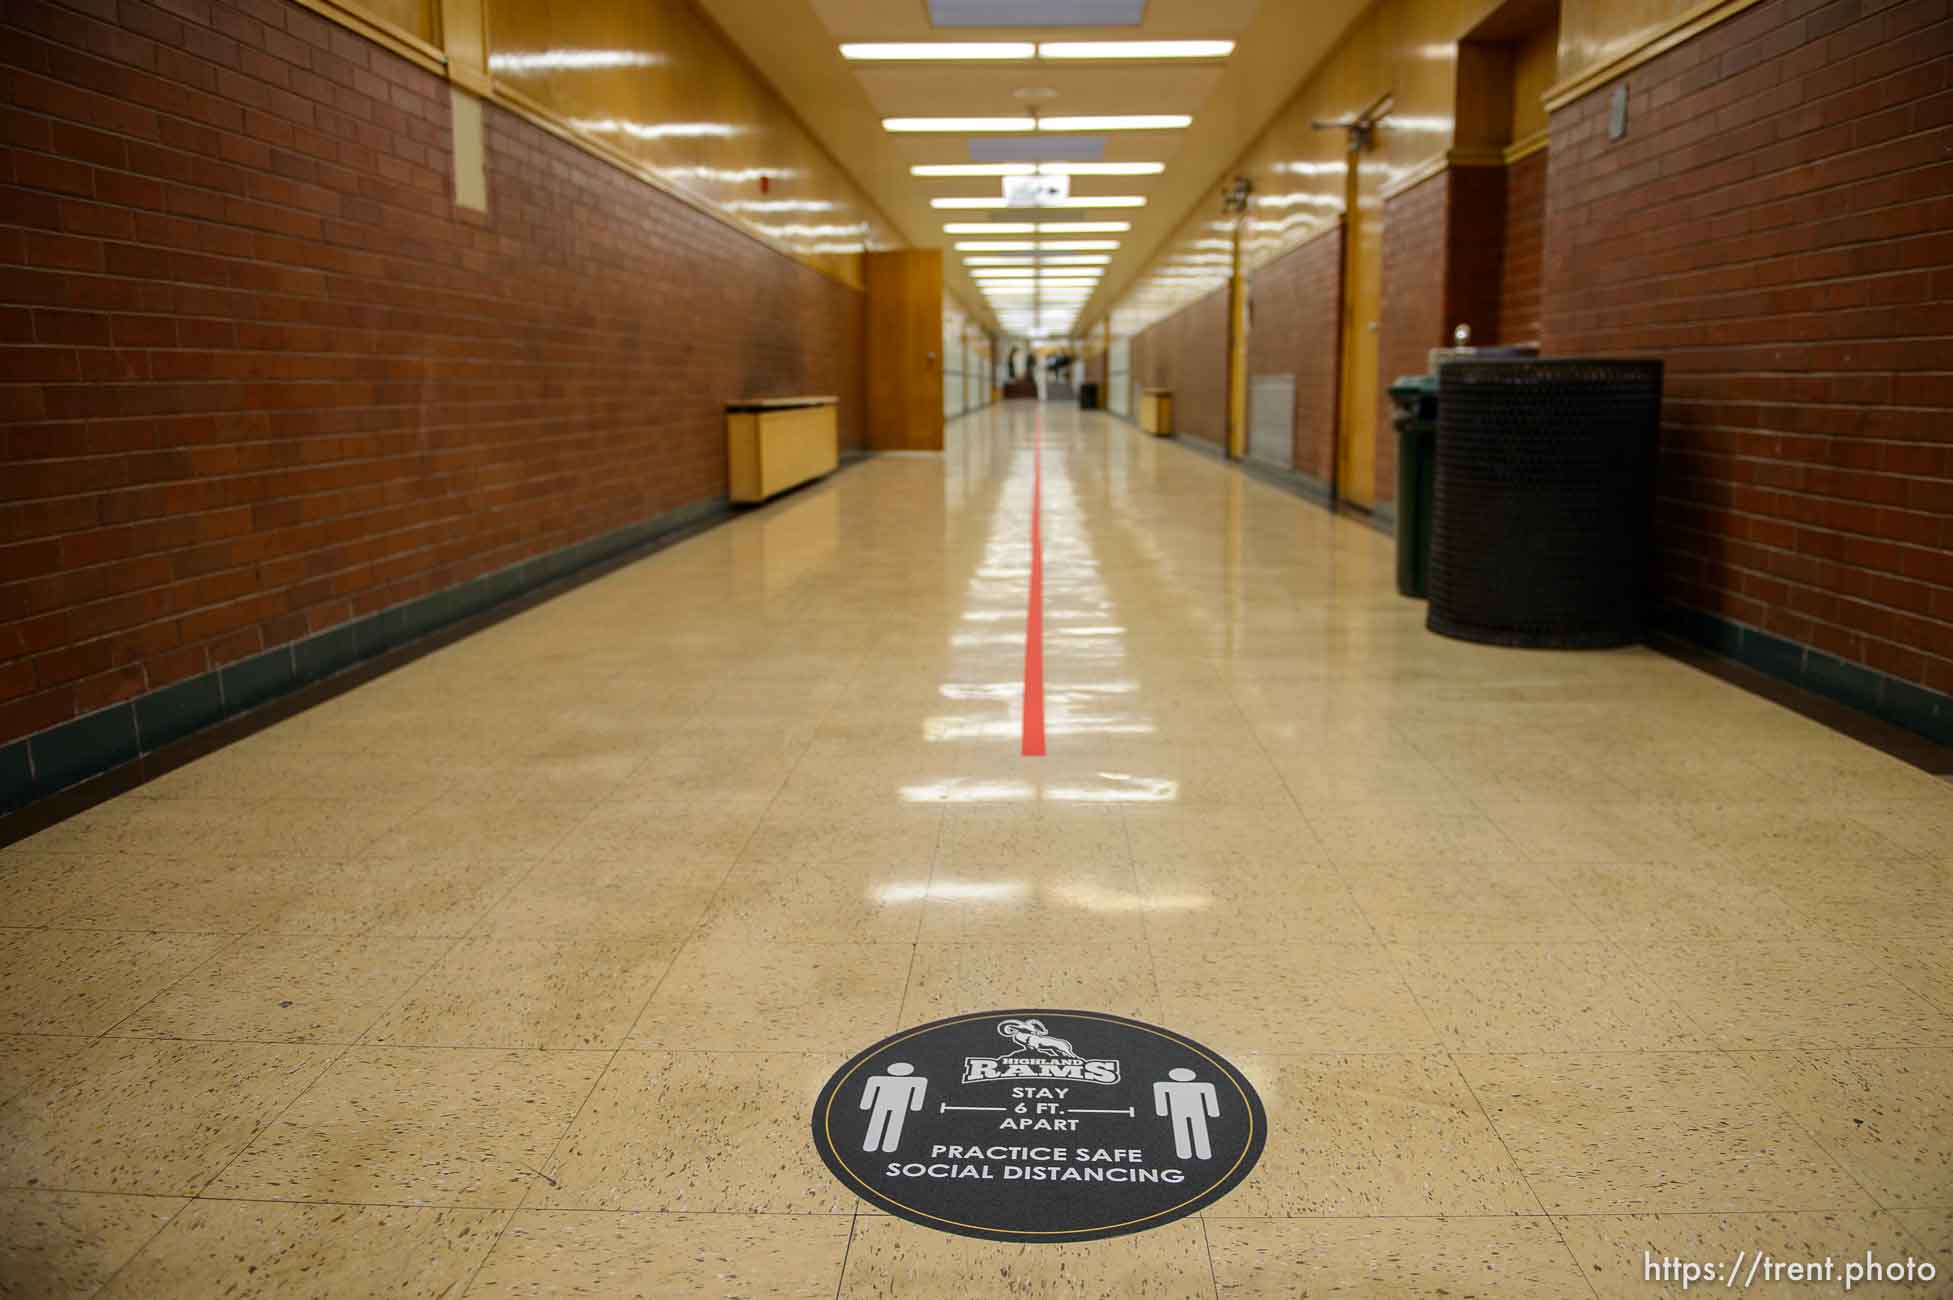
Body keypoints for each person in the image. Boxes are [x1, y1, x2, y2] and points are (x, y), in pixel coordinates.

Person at [860, 1062, 928, 1153]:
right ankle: (885, 1146)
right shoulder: (917, 1081)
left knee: (885, 1123)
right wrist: (915, 1106)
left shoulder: (876, 1079)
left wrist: (866, 1105)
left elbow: (869, 1092)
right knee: (891, 1123)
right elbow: (870, 1090)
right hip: (894, 1105)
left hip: (893, 1105)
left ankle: (876, 1145)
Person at [1153, 1067, 1219, 1160]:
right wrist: (1213, 1112)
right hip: (1181, 1111)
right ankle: (1191, 1153)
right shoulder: (1163, 1085)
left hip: (1191, 1111)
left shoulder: (1205, 1086)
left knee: (1194, 1129)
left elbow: (1210, 1097)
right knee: (1185, 1130)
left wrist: (1162, 1111)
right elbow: (1160, 1097)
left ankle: (1196, 1153)